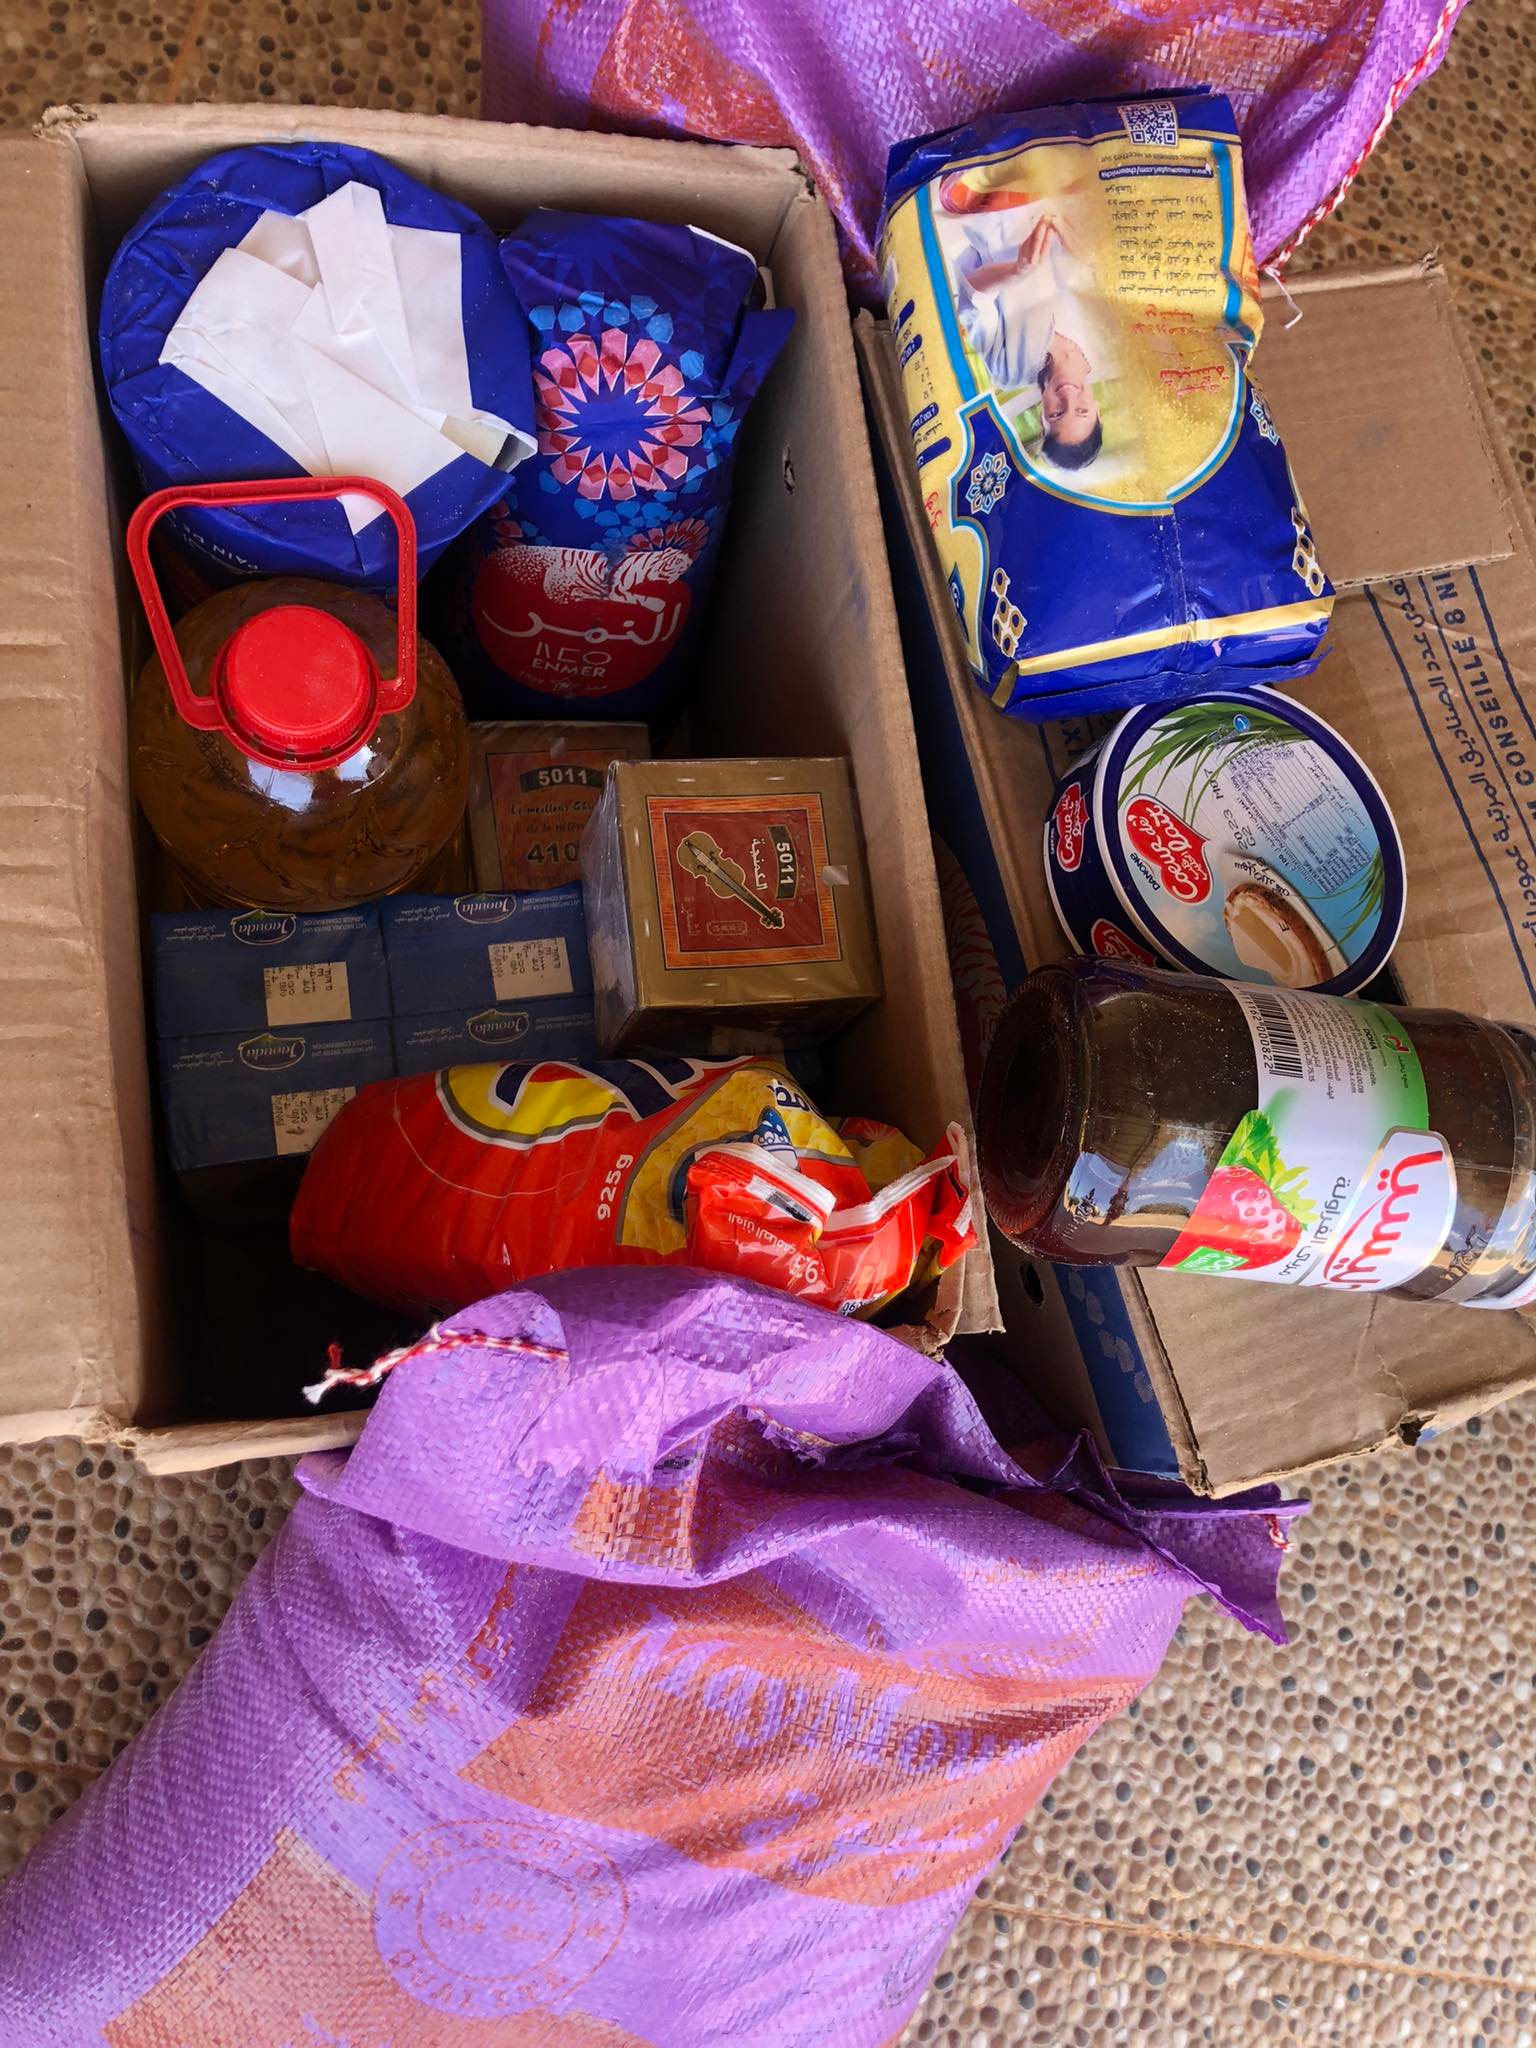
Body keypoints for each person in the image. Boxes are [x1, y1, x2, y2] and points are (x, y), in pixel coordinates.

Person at [943, 188, 1104, 471]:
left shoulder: (1008, 372)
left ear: (1042, 415)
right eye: (1081, 410)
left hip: (993, 207)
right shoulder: (1108, 345)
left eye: (1057, 414)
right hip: (1061, 191)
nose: (1068, 396)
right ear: (1097, 411)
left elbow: (972, 299)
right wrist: (1093, 260)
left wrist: (1017, 269)